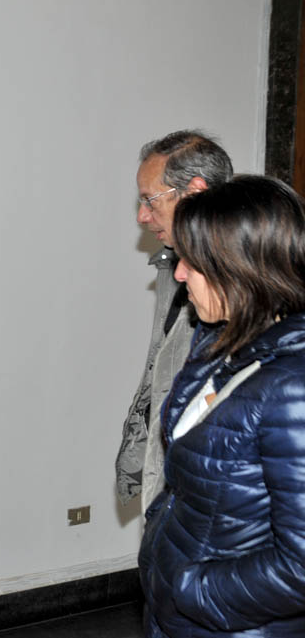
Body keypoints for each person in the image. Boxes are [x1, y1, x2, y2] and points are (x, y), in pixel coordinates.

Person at [139, 175, 305, 637]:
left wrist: (190, 589)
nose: (178, 274)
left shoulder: (293, 387)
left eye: (191, 261)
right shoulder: (223, 347)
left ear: (239, 268)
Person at [116, 130, 232, 513]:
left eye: (150, 200)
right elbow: (161, 377)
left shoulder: (241, 287)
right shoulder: (172, 268)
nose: (142, 216)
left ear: (195, 192)